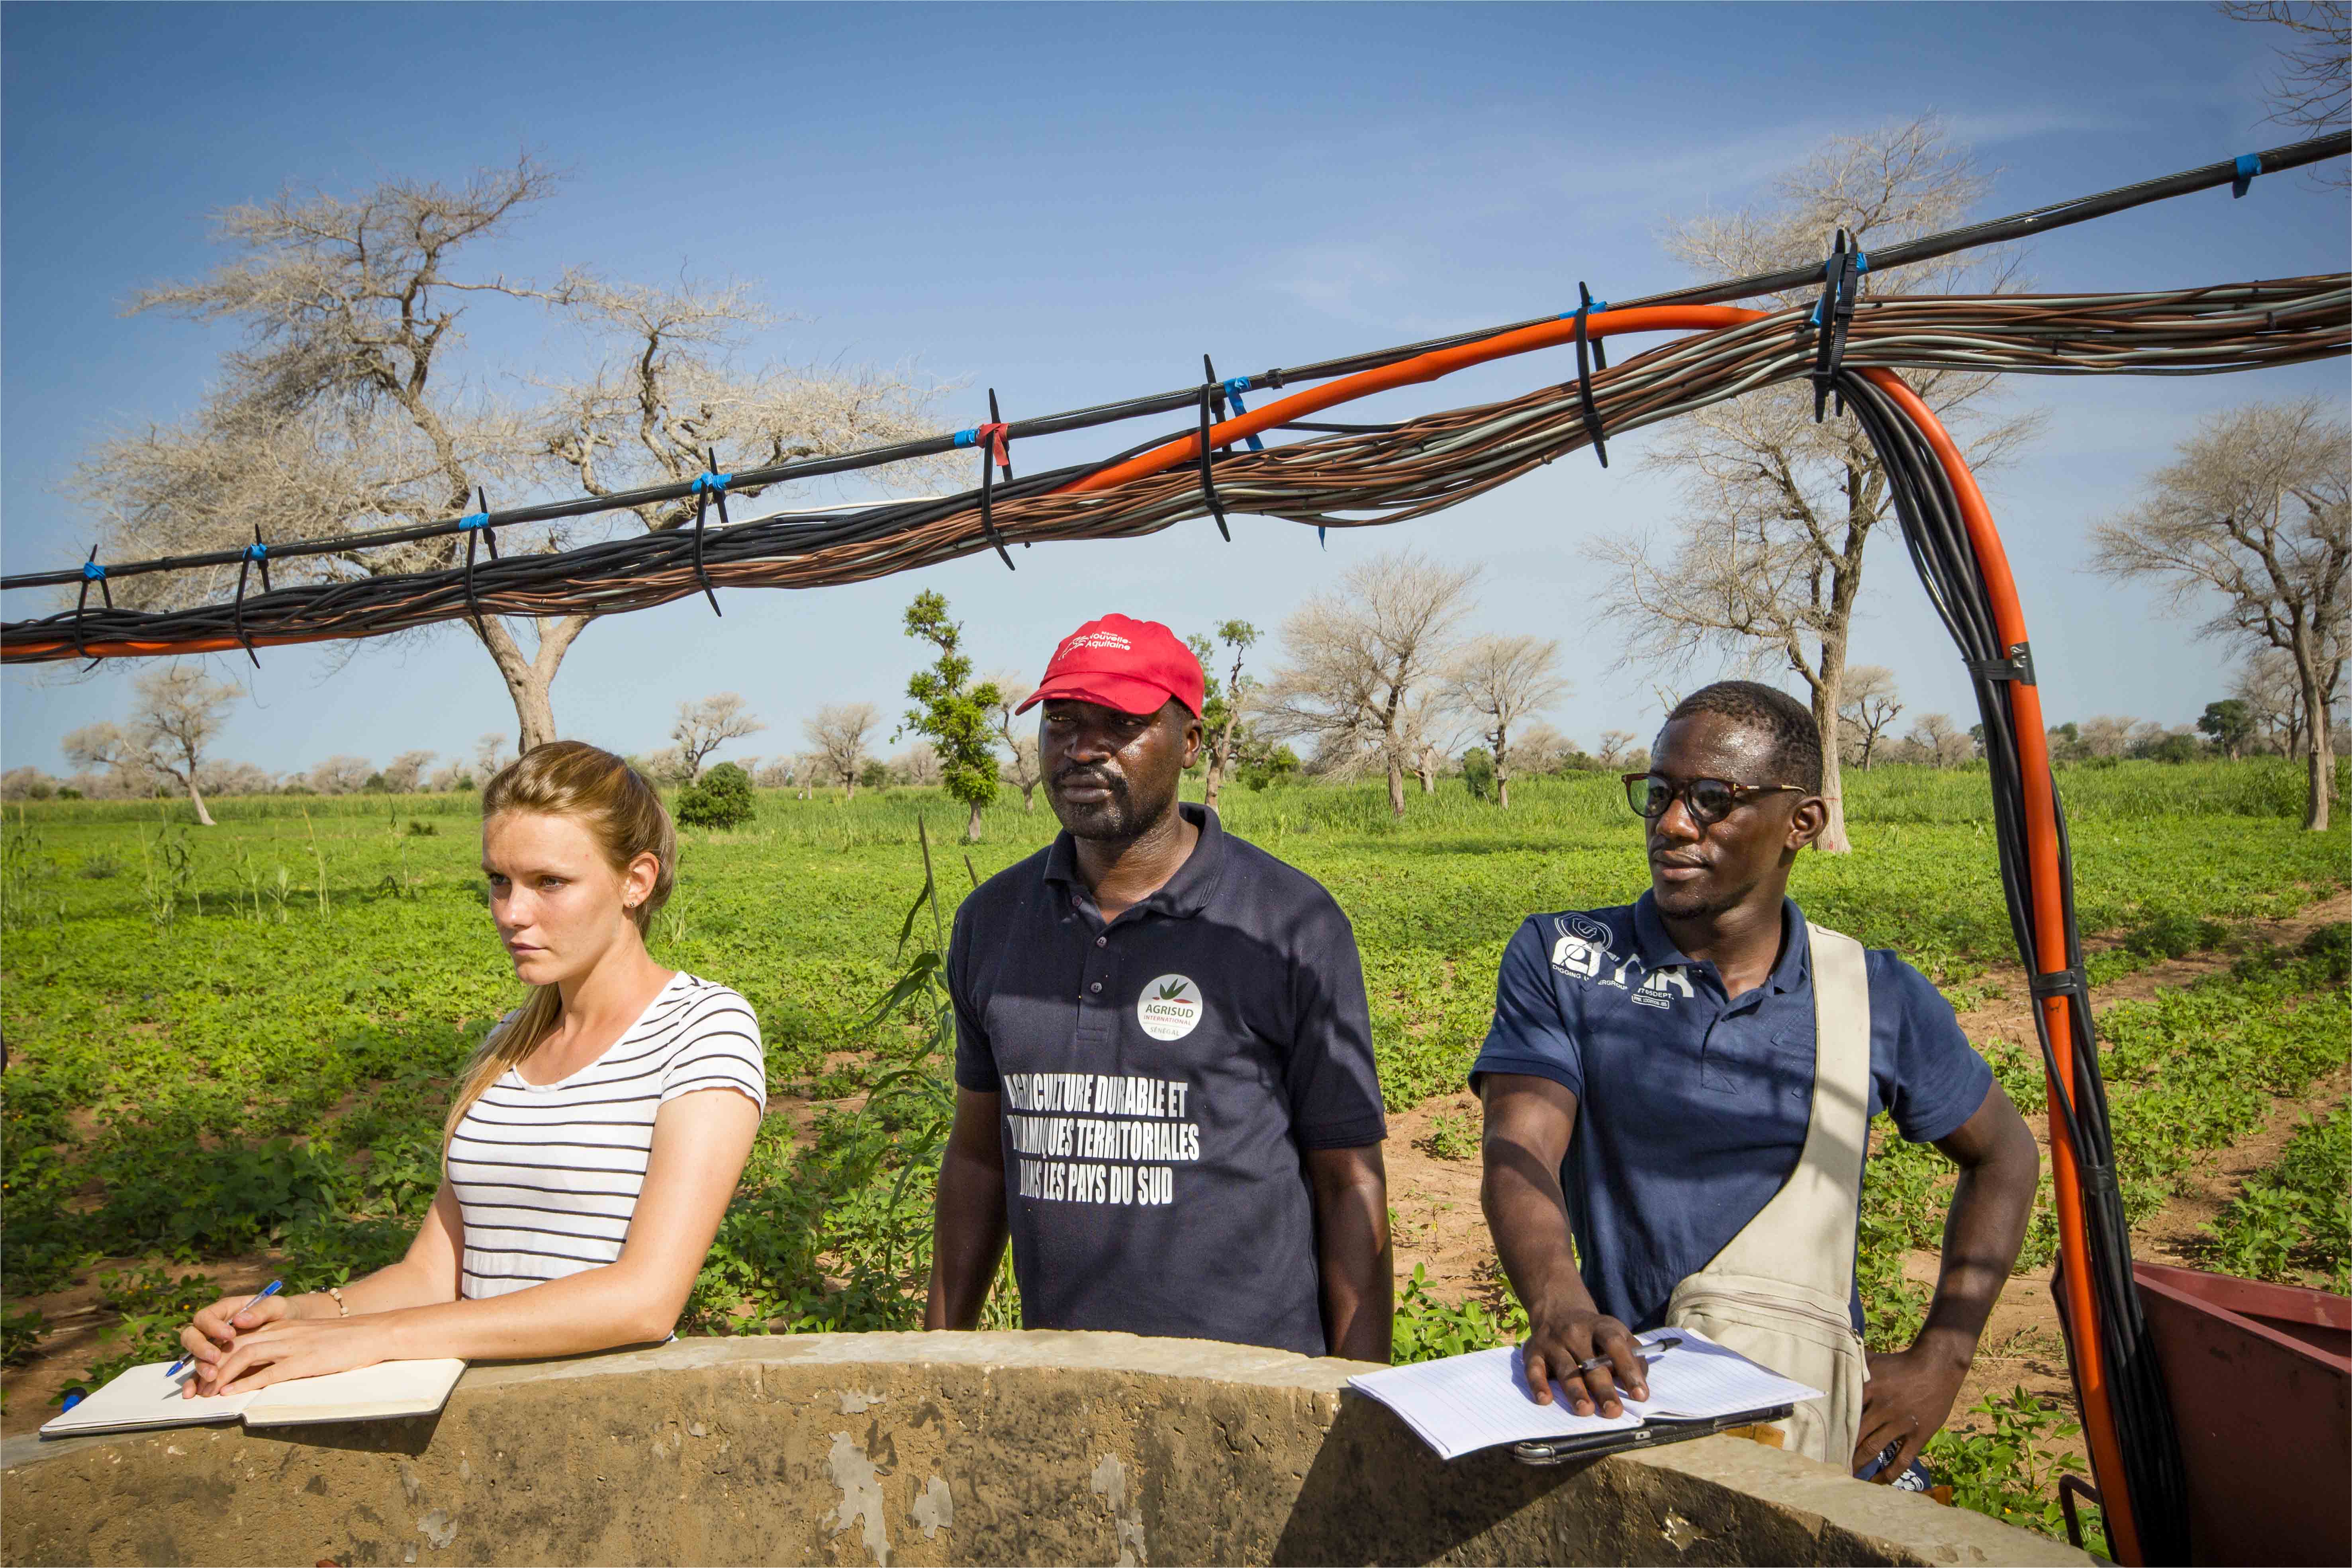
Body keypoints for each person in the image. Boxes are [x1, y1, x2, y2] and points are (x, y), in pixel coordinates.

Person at [1474, 681, 2038, 1479]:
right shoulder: (1568, 957)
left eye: (1712, 799)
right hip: (1623, 1396)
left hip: (1803, 1413)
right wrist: (1559, 1300)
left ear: (1801, 824)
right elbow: (1518, 1142)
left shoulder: (1870, 994)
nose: (1673, 824)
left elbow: (2005, 1154)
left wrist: (1944, 1355)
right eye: (1660, 794)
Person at [177, 742, 766, 1395]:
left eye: (550, 882)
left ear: (637, 880)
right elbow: (434, 1273)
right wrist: (305, 1313)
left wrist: (374, 1339)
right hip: (468, 1420)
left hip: (606, 1428)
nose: (512, 912)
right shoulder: (506, 1046)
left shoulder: (701, 1028)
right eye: (498, 880)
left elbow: (645, 1298)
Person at [925, 613, 1392, 1360]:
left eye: (1121, 723)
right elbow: (980, 1158)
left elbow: (1348, 1182)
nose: (1082, 749)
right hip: (1060, 1381)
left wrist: (1359, 1398)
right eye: (1061, 722)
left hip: (1253, 1390)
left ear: (1191, 741)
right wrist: (937, 1358)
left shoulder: (1289, 921)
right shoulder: (993, 922)